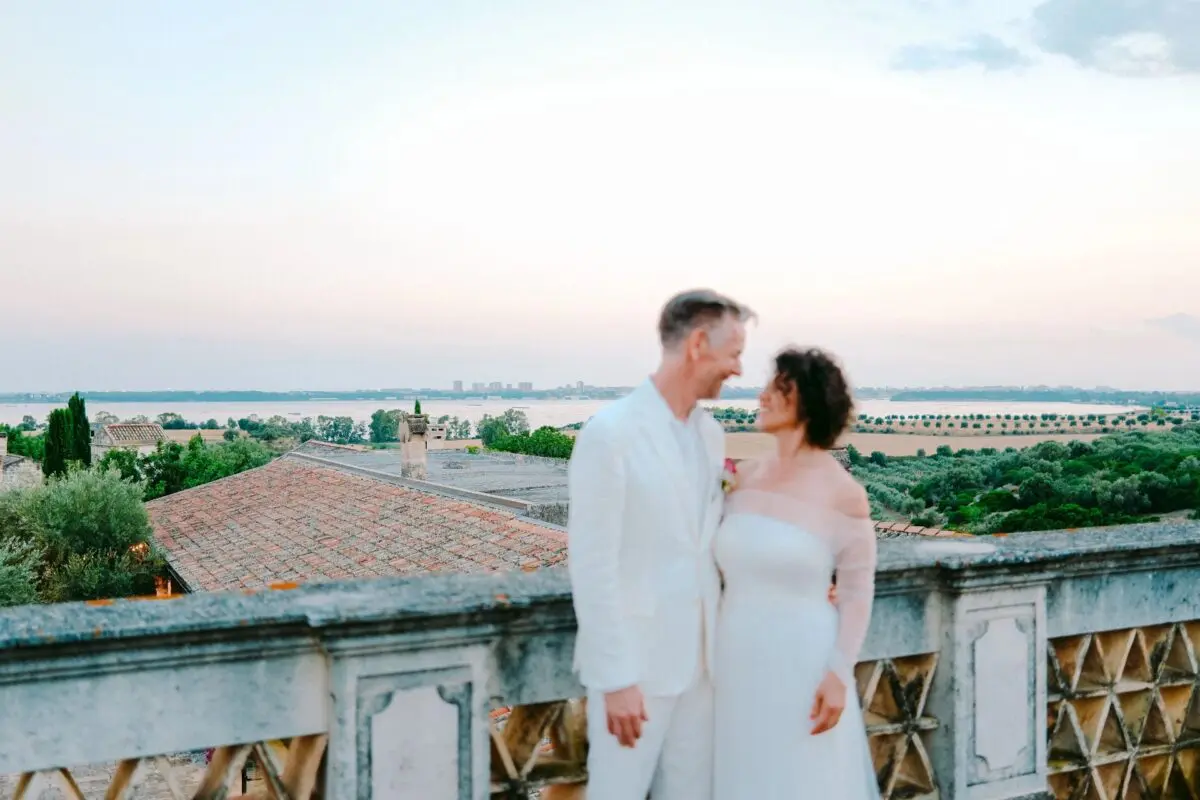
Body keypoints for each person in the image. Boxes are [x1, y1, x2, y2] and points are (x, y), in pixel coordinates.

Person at [567, 289, 751, 800]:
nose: (737, 369)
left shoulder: (711, 435)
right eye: (734, 352)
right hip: (637, 670)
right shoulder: (610, 434)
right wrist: (615, 677)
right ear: (697, 344)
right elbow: (592, 563)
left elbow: (707, 544)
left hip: (704, 664)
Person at [713, 347, 879, 799]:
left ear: (806, 400)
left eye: (776, 387)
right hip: (730, 658)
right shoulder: (741, 478)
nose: (761, 395)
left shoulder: (843, 494)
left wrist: (837, 674)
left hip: (801, 663)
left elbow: (858, 592)